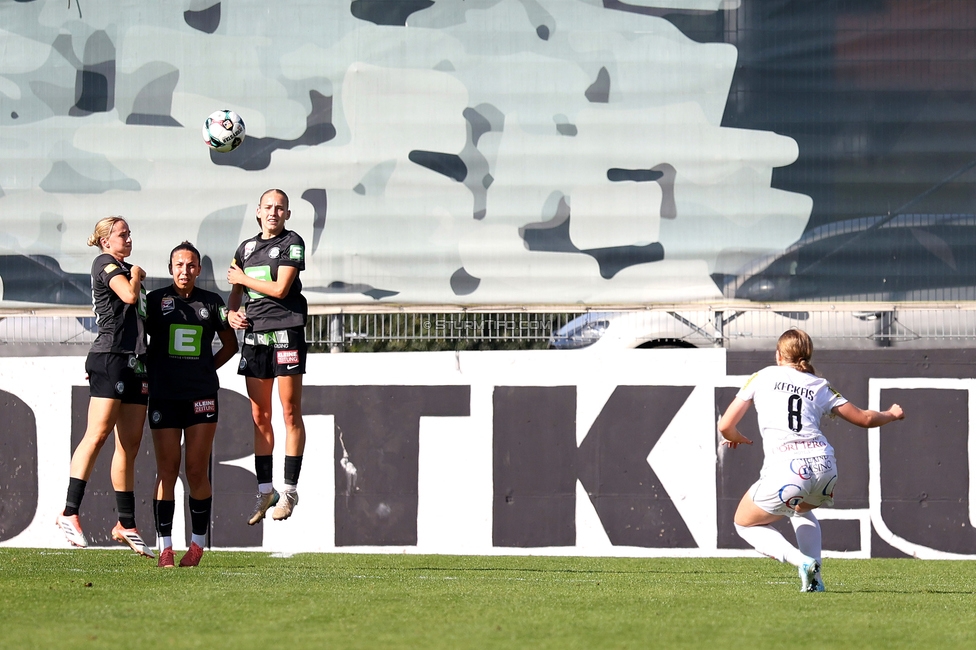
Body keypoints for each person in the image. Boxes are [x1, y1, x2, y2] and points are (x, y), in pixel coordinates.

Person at [717, 328, 904, 592]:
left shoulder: (763, 376)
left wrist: (735, 436)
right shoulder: (820, 385)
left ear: (779, 354)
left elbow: (725, 425)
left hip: (788, 468)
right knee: (801, 509)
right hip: (825, 467)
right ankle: (815, 580)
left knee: (744, 523)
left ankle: (801, 561)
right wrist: (892, 414)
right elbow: (864, 419)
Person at [55, 216, 154, 557]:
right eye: (121, 234)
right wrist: (137, 276)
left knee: (129, 445)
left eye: (129, 232)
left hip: (135, 362)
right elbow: (128, 295)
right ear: (104, 241)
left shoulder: (126, 269)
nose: (128, 237)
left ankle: (125, 523)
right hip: (110, 357)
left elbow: (139, 315)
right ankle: (69, 512)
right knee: (97, 435)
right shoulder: (106, 263)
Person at [146, 242, 239, 568]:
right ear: (170, 268)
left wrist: (205, 368)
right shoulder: (155, 301)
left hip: (201, 397)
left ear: (198, 269)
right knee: (167, 470)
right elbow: (135, 337)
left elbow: (231, 345)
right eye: (179, 265)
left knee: (196, 470)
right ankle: (165, 547)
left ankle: (198, 546)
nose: (184, 271)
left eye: (191, 265)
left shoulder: (211, 303)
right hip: (164, 396)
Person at [227, 189, 308, 524]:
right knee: (260, 416)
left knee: (290, 412)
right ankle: (266, 491)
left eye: (280, 208)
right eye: (268, 207)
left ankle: (289, 492)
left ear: (287, 214)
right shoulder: (245, 248)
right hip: (255, 337)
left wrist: (241, 278)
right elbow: (234, 297)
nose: (274, 212)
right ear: (258, 211)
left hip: (286, 330)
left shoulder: (292, 242)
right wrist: (232, 315)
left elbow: (279, 289)